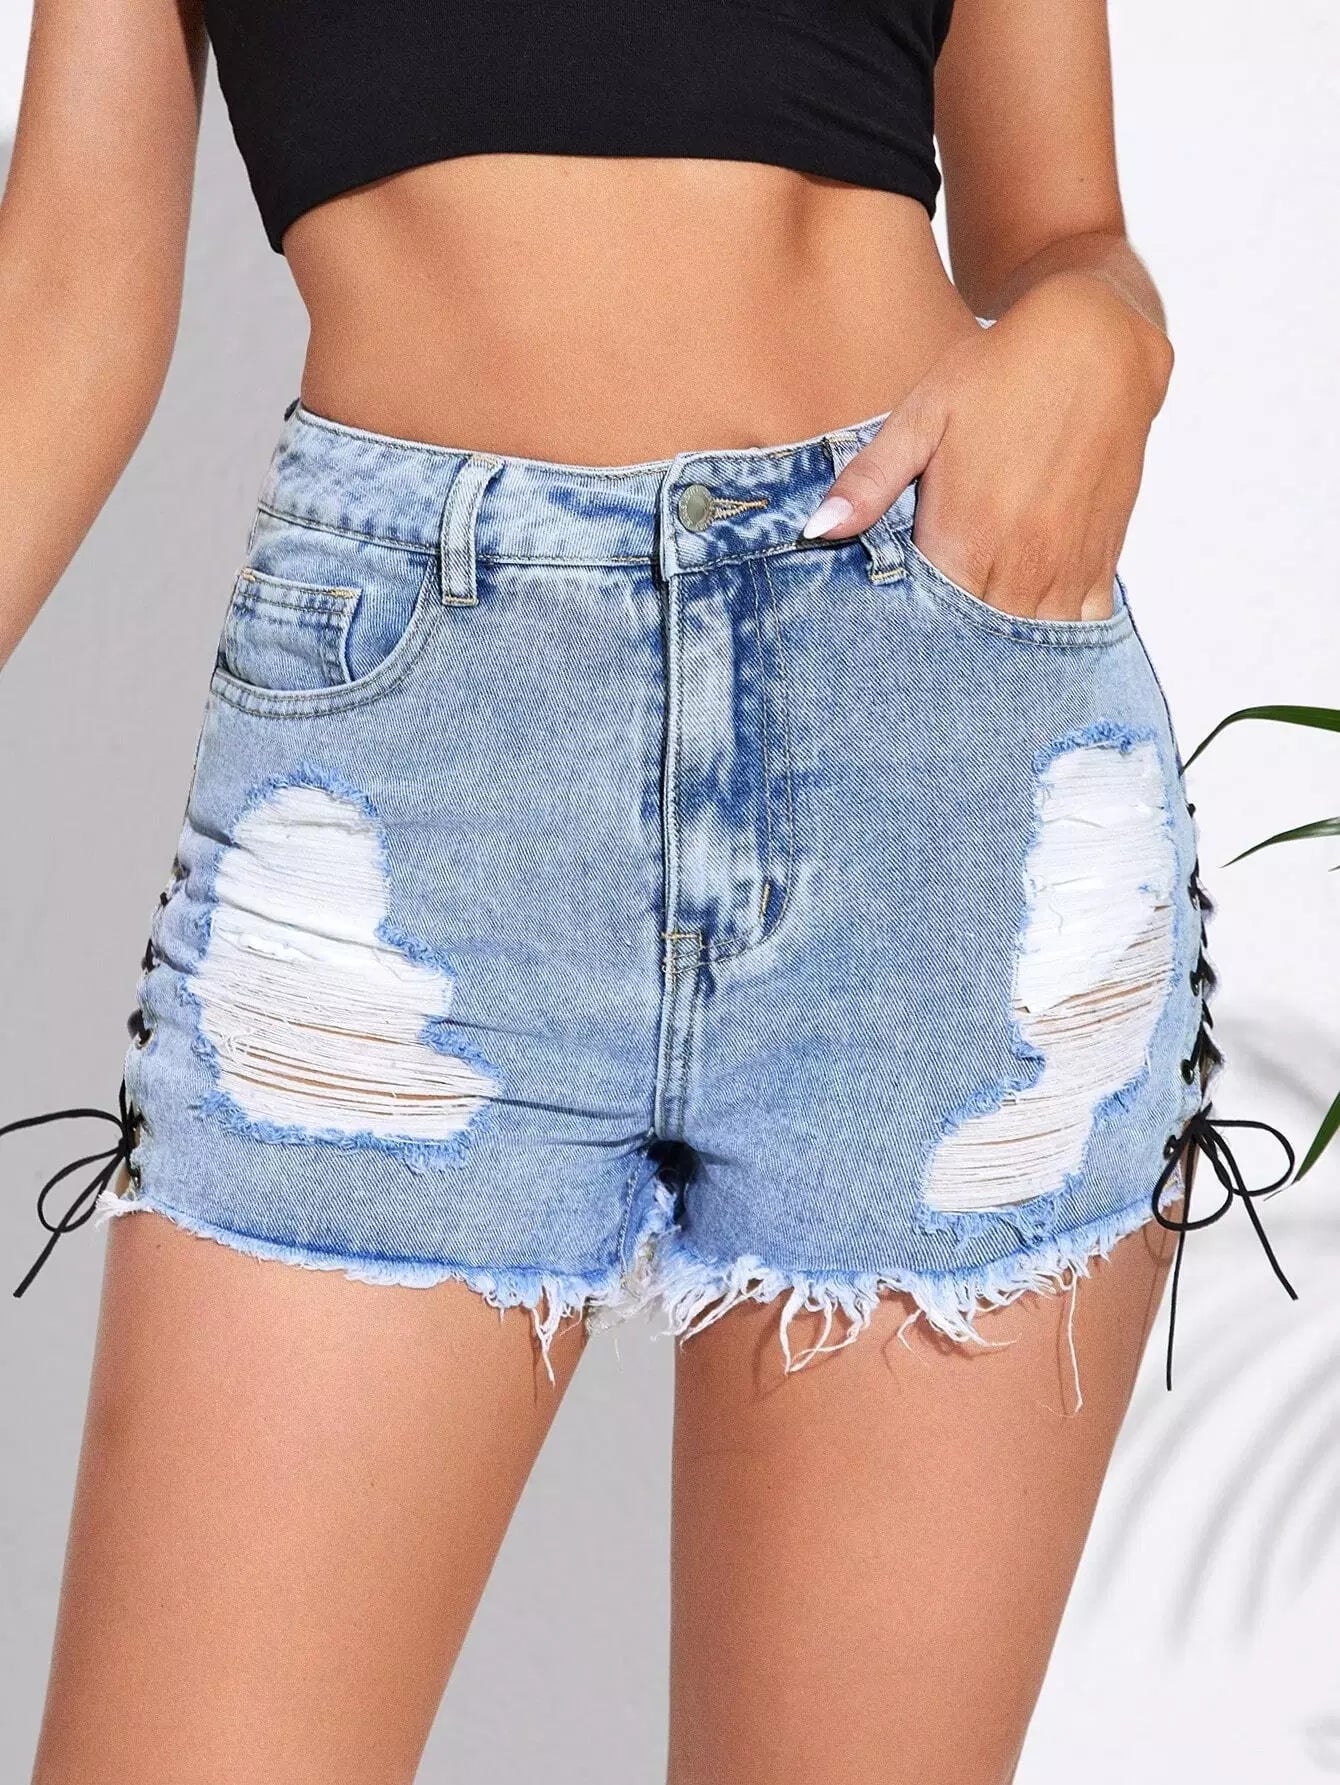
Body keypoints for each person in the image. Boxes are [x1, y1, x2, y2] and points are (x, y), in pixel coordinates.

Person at [0, 1, 1296, 1780]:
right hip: (407, 777)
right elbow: (63, 296)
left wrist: (1100, 330)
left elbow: (1066, 233)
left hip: (934, 728)